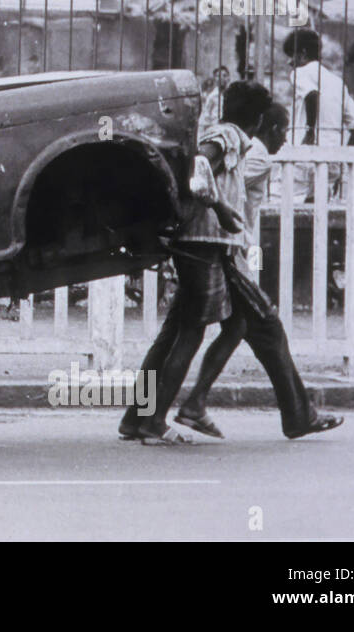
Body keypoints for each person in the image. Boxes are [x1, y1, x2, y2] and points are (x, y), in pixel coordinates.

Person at [174, 97, 344, 440]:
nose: (284, 139)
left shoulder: (240, 146)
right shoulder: (256, 154)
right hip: (228, 253)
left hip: (225, 250)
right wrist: (219, 207)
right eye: (283, 130)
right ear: (272, 127)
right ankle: (297, 416)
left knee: (235, 327)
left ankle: (188, 405)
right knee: (269, 330)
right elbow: (215, 173)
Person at [118, 82, 252, 445]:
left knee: (172, 334)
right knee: (191, 333)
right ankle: (154, 421)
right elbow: (201, 163)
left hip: (193, 239)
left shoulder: (222, 131)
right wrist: (221, 208)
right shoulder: (231, 135)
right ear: (255, 119)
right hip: (204, 241)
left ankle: (136, 417)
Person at [282, 29, 354, 200]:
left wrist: (310, 132)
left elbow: (312, 94)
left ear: (303, 54)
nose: (289, 62)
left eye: (292, 55)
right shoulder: (337, 82)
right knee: (319, 211)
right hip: (332, 155)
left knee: (291, 206)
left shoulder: (299, 73)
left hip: (304, 152)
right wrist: (343, 159)